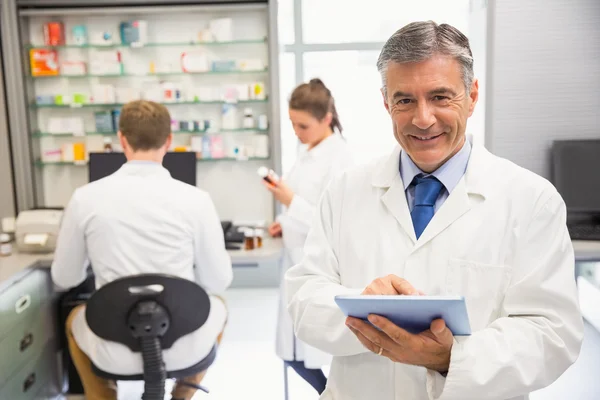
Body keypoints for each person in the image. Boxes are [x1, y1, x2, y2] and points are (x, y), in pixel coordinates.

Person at [285, 21, 584, 400]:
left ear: (472, 96)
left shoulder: (531, 201)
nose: (422, 119)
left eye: (441, 97)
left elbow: (552, 333)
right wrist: (366, 307)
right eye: (405, 100)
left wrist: (451, 358)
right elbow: (304, 299)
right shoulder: (344, 192)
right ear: (386, 103)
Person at [51, 100, 233, 400]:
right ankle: (181, 396)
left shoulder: (85, 199)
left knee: (74, 320)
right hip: (181, 347)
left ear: (122, 139)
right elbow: (218, 281)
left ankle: (104, 396)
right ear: (169, 140)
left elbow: (65, 278)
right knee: (220, 308)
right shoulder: (196, 200)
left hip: (113, 348)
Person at [263, 79, 354, 394]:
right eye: (293, 124)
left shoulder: (340, 159)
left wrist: (289, 202)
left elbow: (334, 221)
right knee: (290, 352)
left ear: (326, 118)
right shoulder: (307, 151)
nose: (297, 132)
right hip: (294, 261)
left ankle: (332, 394)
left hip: (318, 268)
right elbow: (303, 207)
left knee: (307, 352)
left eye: (303, 125)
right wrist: (283, 221)